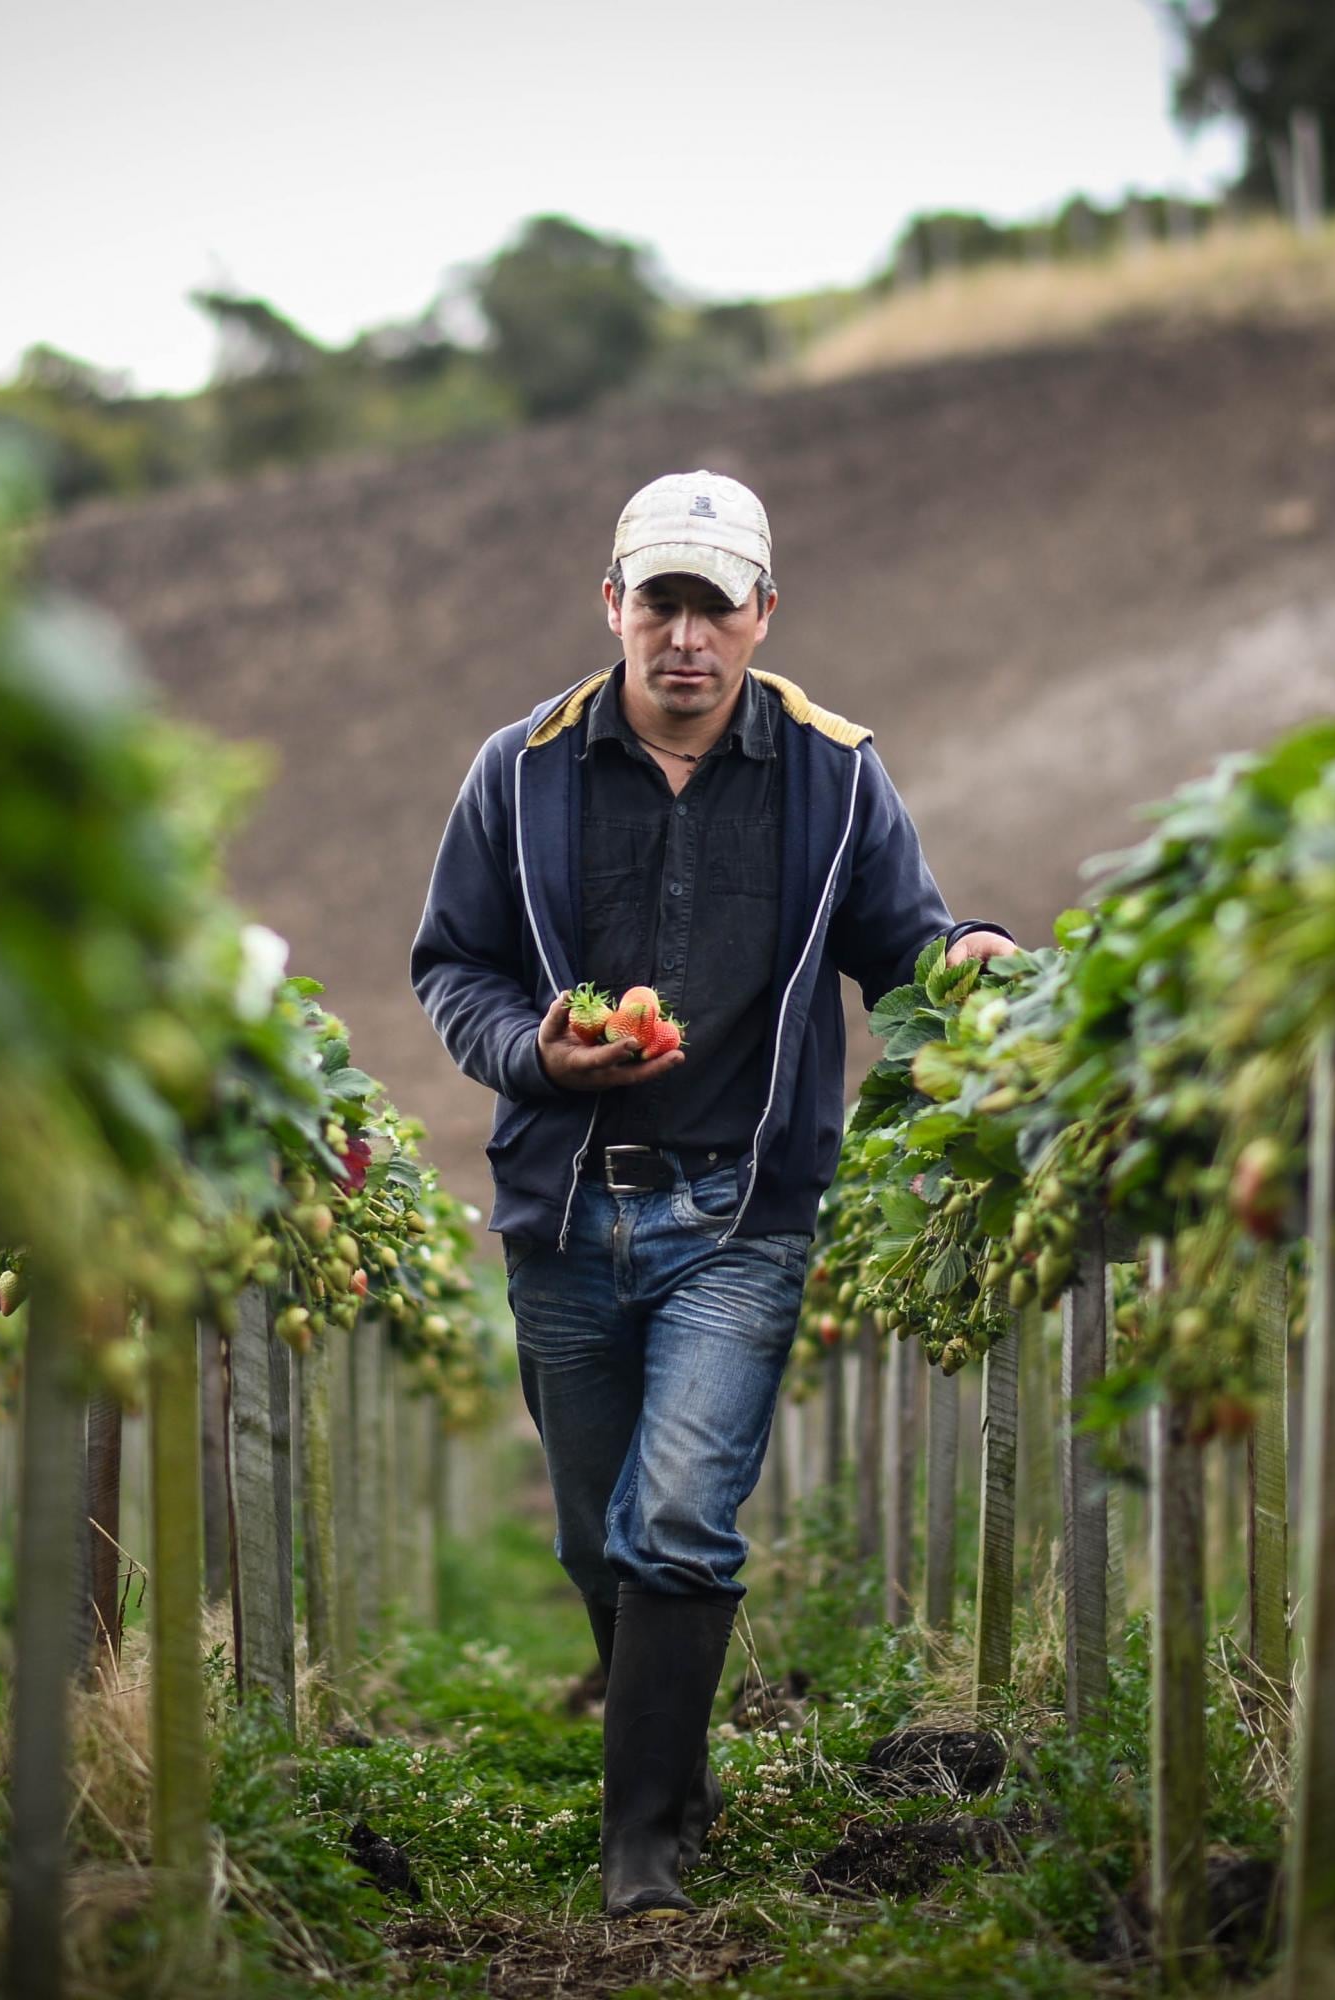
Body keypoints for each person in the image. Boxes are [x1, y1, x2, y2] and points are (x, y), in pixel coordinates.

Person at [411, 468, 1016, 1915]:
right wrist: (538, 1055)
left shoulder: (835, 769)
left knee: (678, 1517)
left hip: (740, 1214)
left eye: (716, 605)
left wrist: (974, 957)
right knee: (593, 1537)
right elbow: (453, 966)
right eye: (661, 601)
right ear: (613, 603)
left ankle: (648, 1845)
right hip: (565, 1209)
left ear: (762, 614)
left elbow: (908, 945)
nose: (686, 635)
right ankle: (670, 1768)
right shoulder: (520, 770)